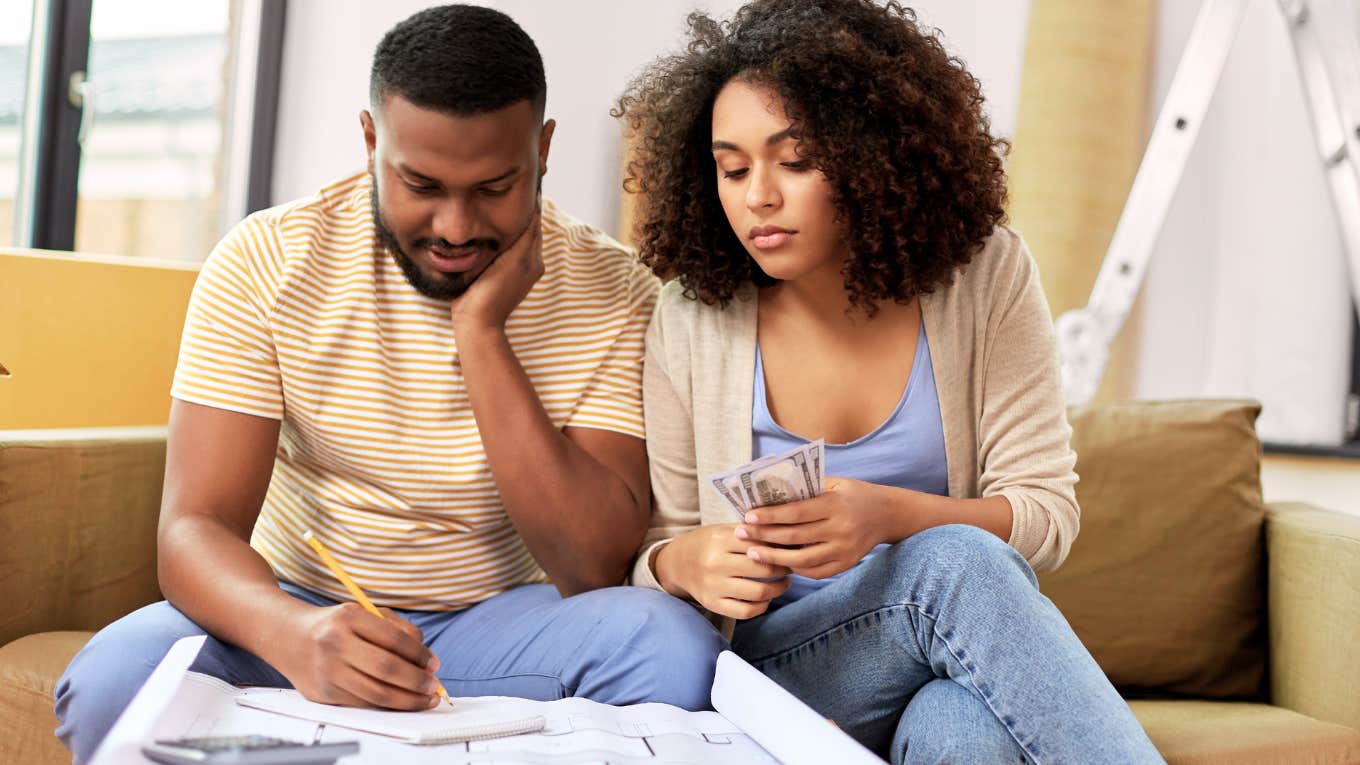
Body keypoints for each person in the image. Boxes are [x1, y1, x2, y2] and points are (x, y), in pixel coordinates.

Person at [55, 5, 724, 762]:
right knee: (113, 678)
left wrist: (481, 335)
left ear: (542, 150)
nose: (455, 225)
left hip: (499, 620)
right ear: (372, 141)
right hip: (296, 607)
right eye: (421, 183)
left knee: (673, 648)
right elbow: (192, 529)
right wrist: (294, 633)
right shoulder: (267, 261)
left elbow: (593, 564)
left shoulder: (613, 289)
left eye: (495, 187)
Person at [615, 1, 1164, 763]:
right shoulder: (693, 316)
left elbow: (1046, 516)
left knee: (961, 729)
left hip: (946, 664)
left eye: (795, 160)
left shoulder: (986, 276)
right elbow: (652, 548)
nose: (757, 196)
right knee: (955, 562)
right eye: (732, 168)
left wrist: (888, 516)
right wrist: (684, 563)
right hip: (786, 673)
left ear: (873, 153)